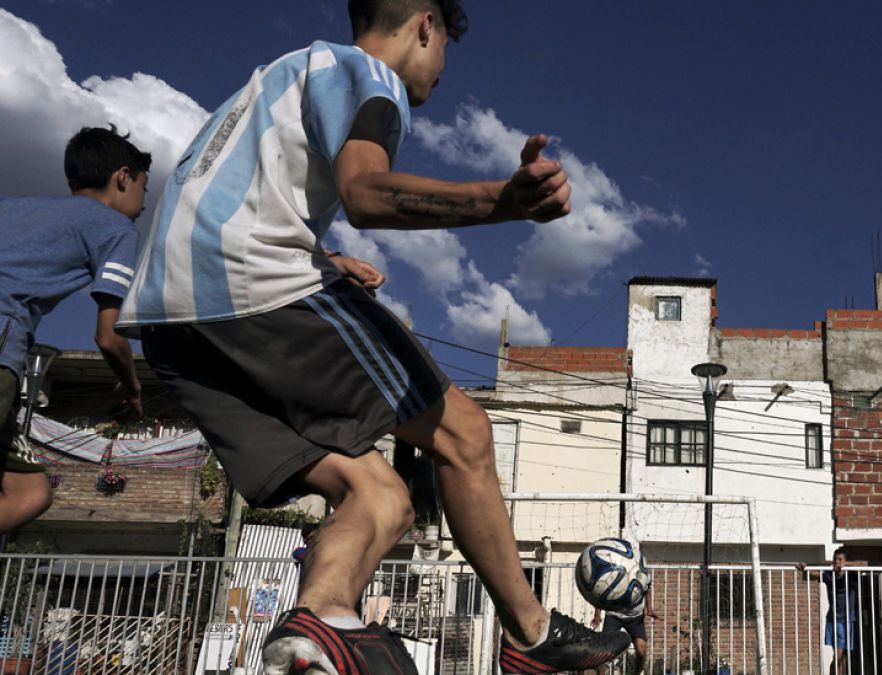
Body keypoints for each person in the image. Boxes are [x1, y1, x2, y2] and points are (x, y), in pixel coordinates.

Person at [115, 1, 630, 673]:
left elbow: (222, 203)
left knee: (380, 494)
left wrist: (325, 260)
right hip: (247, 285)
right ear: (425, 26)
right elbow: (364, 193)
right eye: (443, 53)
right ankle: (531, 634)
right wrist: (501, 202)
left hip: (171, 325)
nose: (439, 73)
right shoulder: (365, 73)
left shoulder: (277, 78)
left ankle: (316, 626)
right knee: (464, 433)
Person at [0, 126, 150, 536]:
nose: (142, 204)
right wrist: (133, 389)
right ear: (123, 177)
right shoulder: (116, 228)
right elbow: (109, 336)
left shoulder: (11, 205)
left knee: (28, 491)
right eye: (144, 188)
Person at [798, 548, 860, 675]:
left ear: (845, 561)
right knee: (838, 655)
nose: (837, 562)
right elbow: (815, 574)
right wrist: (805, 568)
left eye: (840, 559)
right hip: (833, 620)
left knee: (842, 657)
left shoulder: (851, 575)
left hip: (847, 620)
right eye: (835, 560)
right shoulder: (829, 575)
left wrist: (845, 565)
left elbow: (864, 565)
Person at [590, 581, 659, 674]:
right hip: (613, 615)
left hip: (635, 617)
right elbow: (601, 590)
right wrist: (597, 615)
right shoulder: (614, 573)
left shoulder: (643, 574)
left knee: (641, 651)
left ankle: (637, 673)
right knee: (604, 650)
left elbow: (647, 589)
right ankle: (601, 671)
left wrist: (649, 608)